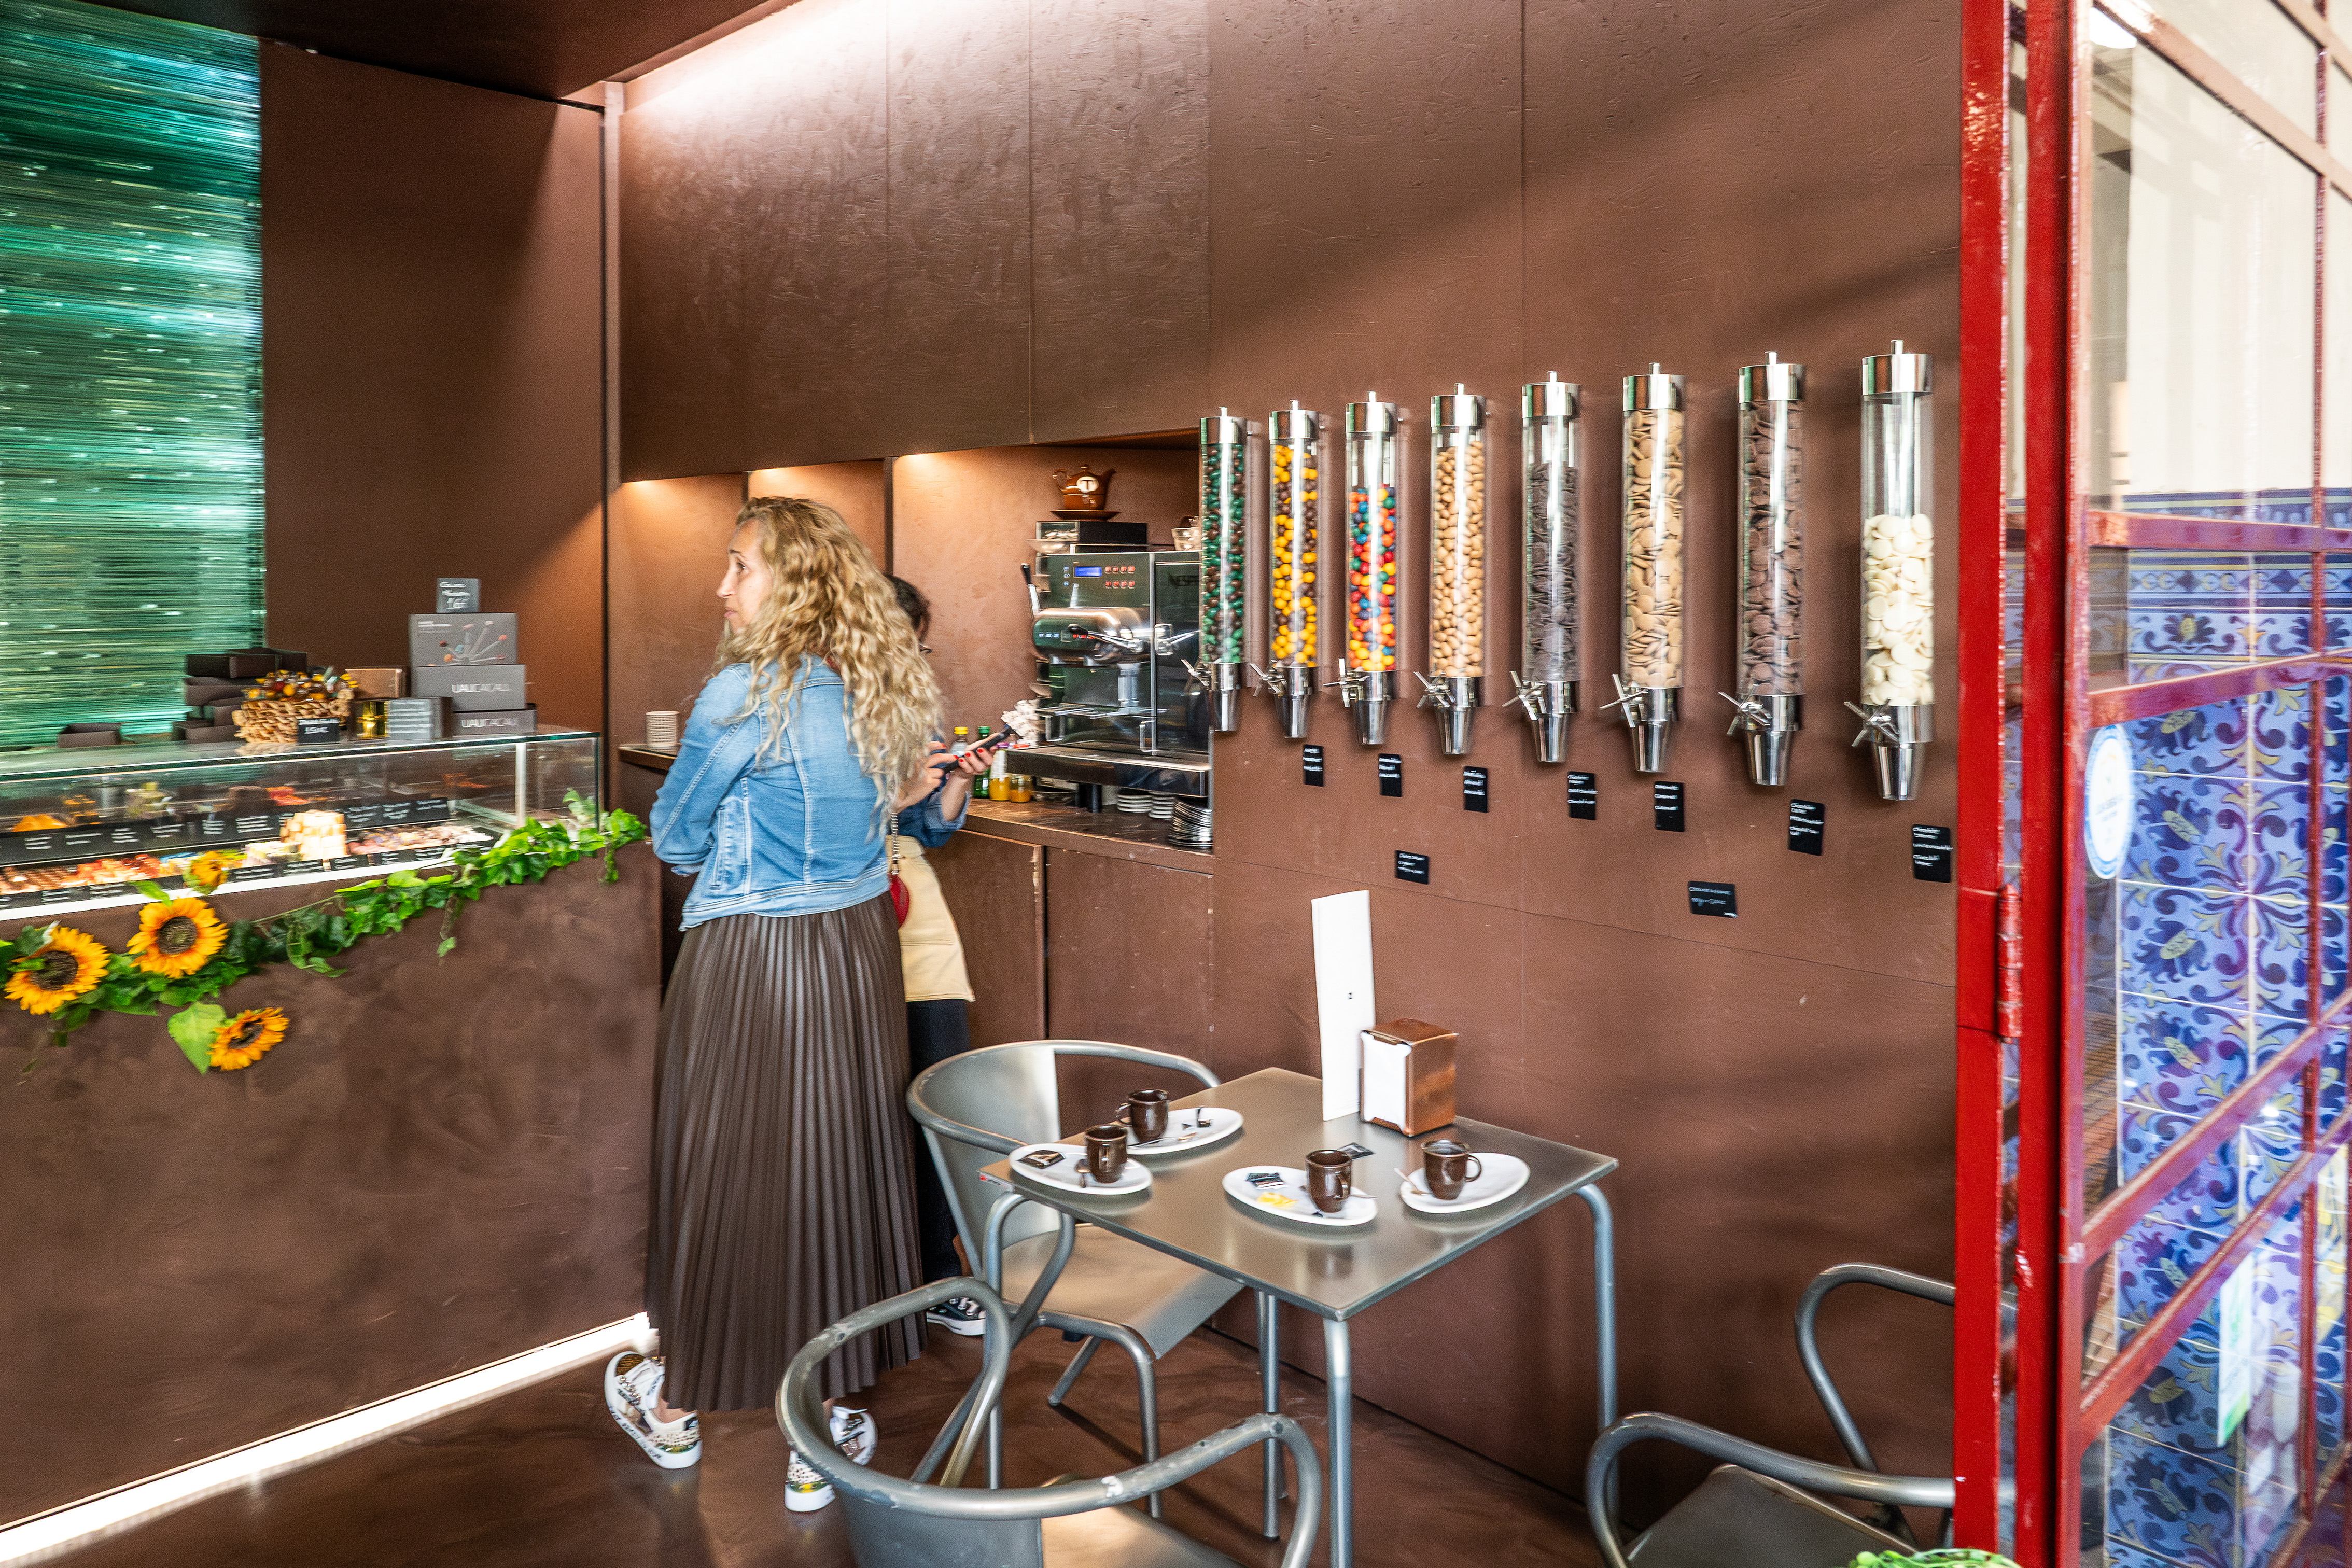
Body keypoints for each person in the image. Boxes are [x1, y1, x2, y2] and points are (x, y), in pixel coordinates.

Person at [607, 496, 961, 1515]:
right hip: (854, 957)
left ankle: (677, 1403)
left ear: (792, 581)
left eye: (739, 566)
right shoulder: (880, 690)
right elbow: (902, 816)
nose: (724, 587)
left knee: (722, 1170)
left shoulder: (741, 696)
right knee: (840, 1170)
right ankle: (824, 1425)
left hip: (750, 953)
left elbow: (673, 838)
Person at [886, 577, 991, 1334]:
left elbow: (928, 830)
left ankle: (939, 1272)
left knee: (935, 1100)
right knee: (860, 1116)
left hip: (914, 913)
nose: (912, 658)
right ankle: (871, 1275)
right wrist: (894, 797)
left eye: (919, 645)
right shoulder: (809, 709)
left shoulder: (918, 710)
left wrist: (951, 785)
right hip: (834, 919)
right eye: (902, 641)